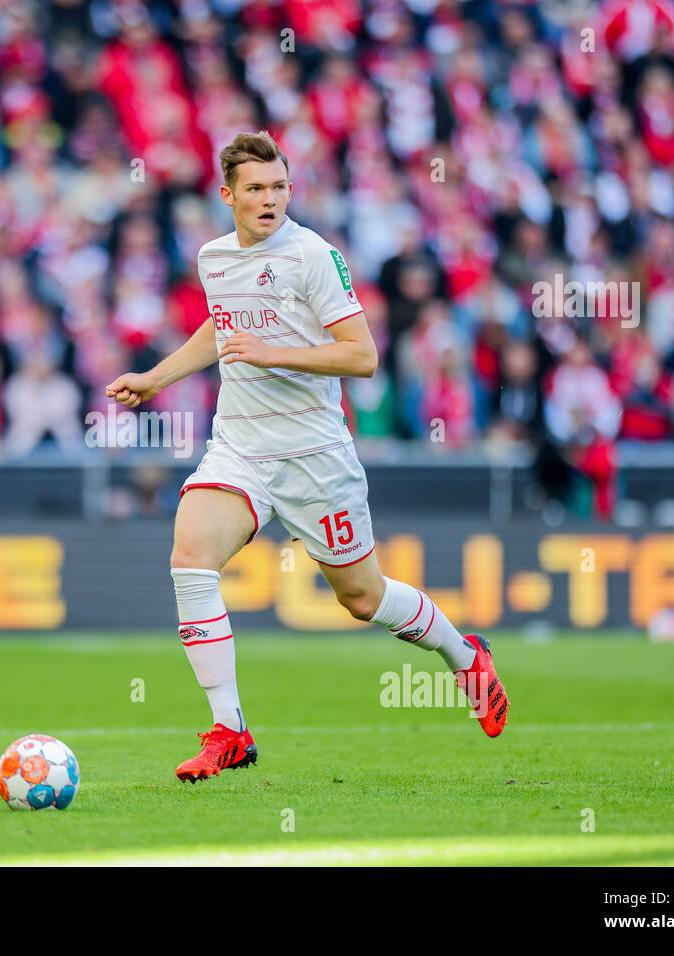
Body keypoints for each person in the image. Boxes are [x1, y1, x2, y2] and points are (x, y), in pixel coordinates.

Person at [106, 131, 510, 783]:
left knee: (362, 597)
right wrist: (157, 377)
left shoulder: (313, 256)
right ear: (228, 195)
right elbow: (222, 322)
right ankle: (230, 730)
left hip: (314, 456)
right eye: (257, 189)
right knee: (190, 557)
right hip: (239, 446)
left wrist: (276, 352)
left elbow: (362, 355)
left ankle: (464, 656)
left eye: (279, 187)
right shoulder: (214, 259)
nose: (270, 200)